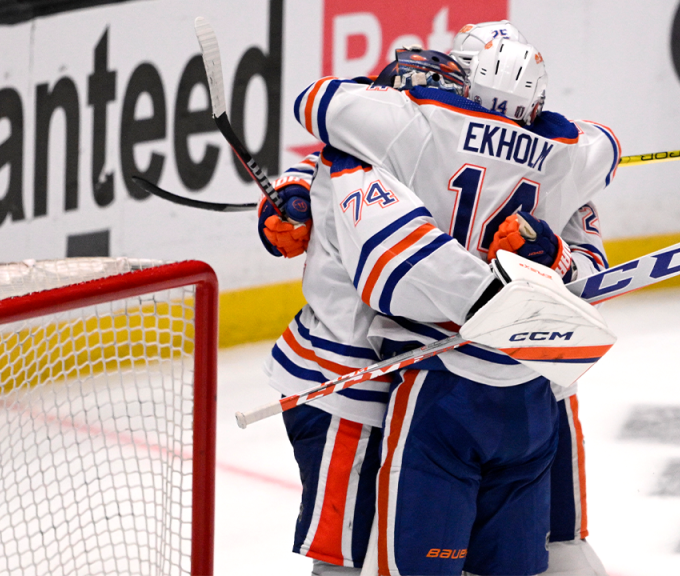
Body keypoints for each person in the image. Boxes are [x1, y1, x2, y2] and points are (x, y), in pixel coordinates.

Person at [261, 26, 618, 575]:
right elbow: (601, 168)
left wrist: (553, 261)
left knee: (537, 547)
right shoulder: (565, 155)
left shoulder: (401, 134)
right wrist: (298, 187)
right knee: (352, 559)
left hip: (456, 376)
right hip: (361, 383)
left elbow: (326, 116)